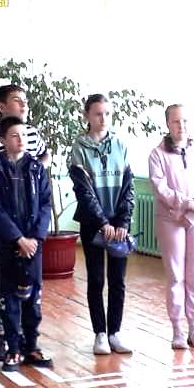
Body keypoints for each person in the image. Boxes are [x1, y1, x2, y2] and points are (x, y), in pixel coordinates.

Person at [0, 84, 51, 360]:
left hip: (32, 234)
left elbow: (44, 190)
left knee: (31, 290)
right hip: (8, 232)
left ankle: (29, 343)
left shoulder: (32, 140)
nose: (24, 105)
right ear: (1, 107)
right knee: (8, 290)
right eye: (17, 100)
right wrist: (8, 229)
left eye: (25, 100)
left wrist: (35, 236)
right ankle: (3, 338)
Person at [0, 116, 54, 372]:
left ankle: (31, 345)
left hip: (34, 243)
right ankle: (12, 348)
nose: (21, 140)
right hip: (9, 244)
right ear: (3, 140)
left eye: (24, 135)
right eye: (14, 135)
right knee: (10, 295)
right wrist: (18, 238)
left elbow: (45, 204)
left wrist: (35, 238)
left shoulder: (36, 167)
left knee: (33, 295)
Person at [68, 93, 136, 355]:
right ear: (87, 115)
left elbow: (128, 188)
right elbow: (83, 191)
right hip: (92, 224)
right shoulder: (79, 148)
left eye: (107, 113)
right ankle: (100, 334)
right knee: (96, 279)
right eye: (98, 113)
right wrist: (102, 222)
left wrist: (123, 221)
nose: (103, 118)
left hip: (119, 227)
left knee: (117, 281)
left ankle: (115, 333)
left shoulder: (120, 145)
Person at [148, 103, 194, 350]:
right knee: (176, 276)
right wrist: (186, 203)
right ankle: (177, 330)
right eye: (176, 122)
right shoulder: (157, 155)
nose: (181, 126)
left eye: (185, 121)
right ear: (168, 124)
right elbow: (161, 188)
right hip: (171, 220)